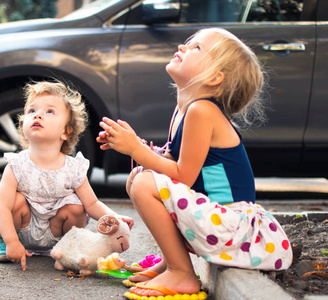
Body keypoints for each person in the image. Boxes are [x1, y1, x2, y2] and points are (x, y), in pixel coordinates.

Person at [97, 28, 292, 297]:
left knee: (144, 183)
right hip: (213, 218)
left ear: (214, 77)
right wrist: (133, 147)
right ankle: (172, 262)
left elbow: (182, 176)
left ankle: (182, 273)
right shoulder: (184, 109)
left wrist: (136, 150)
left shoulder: (202, 111)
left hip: (232, 224)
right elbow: (170, 162)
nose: (183, 46)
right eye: (189, 43)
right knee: (139, 177)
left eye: (197, 48)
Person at [0, 80, 134, 271]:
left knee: (76, 206)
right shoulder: (16, 165)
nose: (38, 115)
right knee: (14, 201)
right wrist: (10, 241)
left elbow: (92, 204)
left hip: (56, 233)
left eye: (49, 111)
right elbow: (1, 206)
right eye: (31, 111)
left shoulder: (73, 168)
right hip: (20, 230)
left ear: (66, 132)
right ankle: (3, 244)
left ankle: (68, 249)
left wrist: (115, 217)